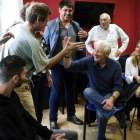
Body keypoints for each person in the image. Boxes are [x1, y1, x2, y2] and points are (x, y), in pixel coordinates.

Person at [0, 2, 85, 120]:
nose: (46, 24)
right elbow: (46, 63)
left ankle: (70, 115)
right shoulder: (31, 41)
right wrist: (66, 51)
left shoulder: (16, 27)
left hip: (7, 81)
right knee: (29, 121)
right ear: (38, 19)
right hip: (20, 85)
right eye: (45, 21)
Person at [0, 55, 78, 140]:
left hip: (33, 134)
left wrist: (49, 135)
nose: (27, 76)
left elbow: (27, 117)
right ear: (15, 78)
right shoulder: (2, 112)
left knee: (73, 135)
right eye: (25, 74)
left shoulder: (11, 92)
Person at [63, 40, 127, 140]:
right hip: (93, 94)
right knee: (86, 91)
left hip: (108, 95)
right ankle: (117, 113)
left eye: (98, 51)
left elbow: (118, 87)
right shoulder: (89, 60)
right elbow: (69, 67)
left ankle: (101, 138)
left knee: (101, 114)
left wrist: (111, 99)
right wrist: (66, 55)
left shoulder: (115, 65)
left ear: (106, 54)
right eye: (95, 50)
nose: (94, 53)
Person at [44, 0, 88, 130]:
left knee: (71, 90)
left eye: (70, 10)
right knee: (56, 92)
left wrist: (87, 35)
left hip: (72, 64)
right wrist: (47, 67)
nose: (67, 13)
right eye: (65, 10)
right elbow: (45, 45)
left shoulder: (76, 25)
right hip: (57, 64)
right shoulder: (50, 24)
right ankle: (52, 120)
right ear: (59, 10)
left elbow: (83, 41)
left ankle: (71, 115)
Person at [20, 1, 53, 124]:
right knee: (31, 111)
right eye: (44, 21)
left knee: (40, 108)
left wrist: (49, 75)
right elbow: (34, 57)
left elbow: (44, 57)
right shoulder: (26, 37)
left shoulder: (40, 36)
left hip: (42, 76)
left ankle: (38, 131)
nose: (46, 24)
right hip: (30, 79)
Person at [125, 40, 140, 130]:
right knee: (138, 95)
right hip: (133, 85)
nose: (138, 50)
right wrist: (135, 77)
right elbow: (127, 78)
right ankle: (139, 119)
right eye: (137, 47)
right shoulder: (129, 60)